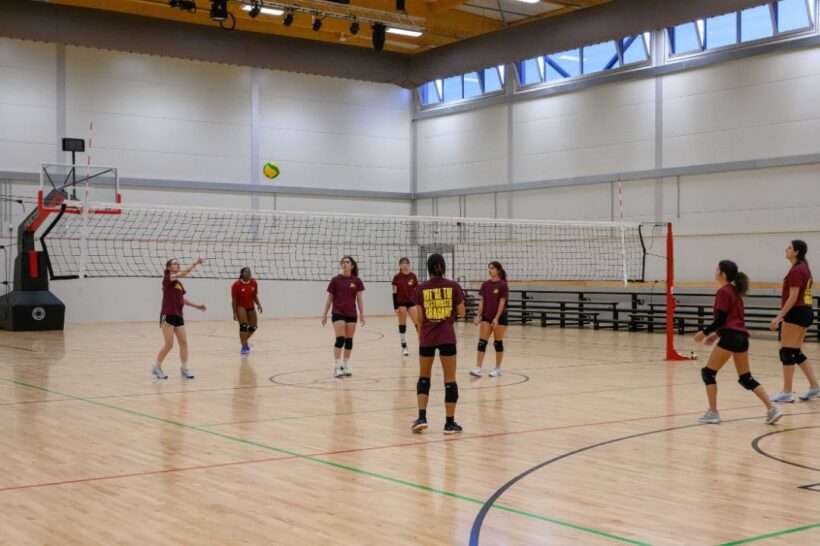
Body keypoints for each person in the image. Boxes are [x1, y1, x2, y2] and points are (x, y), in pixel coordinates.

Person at [694, 260, 782, 425]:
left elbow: (721, 319)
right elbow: (733, 320)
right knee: (745, 378)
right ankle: (772, 408)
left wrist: (704, 332)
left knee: (708, 373)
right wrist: (715, 336)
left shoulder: (723, 292)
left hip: (731, 338)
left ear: (723, 274)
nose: (715, 272)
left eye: (717, 270)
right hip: (741, 339)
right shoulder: (735, 292)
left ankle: (713, 413)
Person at [409, 253, 466, 434]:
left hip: (427, 337)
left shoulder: (420, 289)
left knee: (424, 377)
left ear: (428, 268)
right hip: (447, 337)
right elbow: (462, 313)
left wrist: (422, 333)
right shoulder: (454, 287)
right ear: (443, 266)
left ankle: (421, 417)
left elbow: (419, 318)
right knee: (450, 380)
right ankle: (449, 423)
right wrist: (447, 315)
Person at [769, 240, 820, 402]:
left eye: (789, 248)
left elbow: (793, 297)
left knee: (786, 351)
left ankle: (787, 392)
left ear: (796, 252)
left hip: (796, 313)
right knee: (796, 352)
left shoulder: (797, 271)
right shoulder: (803, 268)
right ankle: (814, 387)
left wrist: (779, 316)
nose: (786, 249)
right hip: (804, 312)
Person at [154, 257, 207, 380]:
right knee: (169, 344)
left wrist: (197, 306)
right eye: (174, 263)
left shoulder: (178, 283)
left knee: (183, 342)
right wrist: (195, 263)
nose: (177, 264)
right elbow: (184, 273)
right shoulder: (168, 278)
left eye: (178, 263)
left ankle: (184, 369)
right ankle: (156, 367)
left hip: (178, 315)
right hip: (168, 315)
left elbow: (181, 299)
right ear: (168, 267)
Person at [321, 256, 365, 378]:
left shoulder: (357, 281)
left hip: (351, 313)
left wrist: (362, 314)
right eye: (343, 262)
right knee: (340, 339)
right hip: (338, 312)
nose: (345, 264)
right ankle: (337, 366)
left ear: (352, 266)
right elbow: (329, 298)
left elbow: (359, 299)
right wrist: (324, 314)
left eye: (347, 262)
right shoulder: (335, 280)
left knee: (349, 340)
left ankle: (346, 364)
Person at [471, 261, 509, 378]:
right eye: (489, 268)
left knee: (498, 343)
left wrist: (496, 318)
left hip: (500, 318)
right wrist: (478, 315)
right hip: (486, 317)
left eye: (492, 268)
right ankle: (478, 368)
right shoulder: (485, 285)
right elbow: (482, 302)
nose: (490, 270)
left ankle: (497, 369)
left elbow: (502, 303)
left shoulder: (503, 285)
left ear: (498, 270)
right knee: (482, 342)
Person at [232, 267, 263, 355]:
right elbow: (234, 300)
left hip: (250, 306)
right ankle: (244, 346)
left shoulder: (254, 282)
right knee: (244, 326)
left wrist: (259, 304)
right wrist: (234, 313)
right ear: (242, 274)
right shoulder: (236, 285)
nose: (249, 273)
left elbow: (254, 295)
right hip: (240, 307)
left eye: (249, 272)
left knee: (254, 326)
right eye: (246, 272)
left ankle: (244, 340)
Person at [392, 257, 419, 357]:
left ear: (409, 265)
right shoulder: (397, 277)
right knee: (402, 325)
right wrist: (395, 307)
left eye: (406, 263)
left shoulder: (413, 276)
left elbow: (416, 291)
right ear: (400, 265)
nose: (404, 265)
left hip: (412, 303)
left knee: (418, 324)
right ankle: (404, 346)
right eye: (402, 263)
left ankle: (422, 344)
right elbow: (394, 293)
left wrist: (418, 304)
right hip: (401, 303)